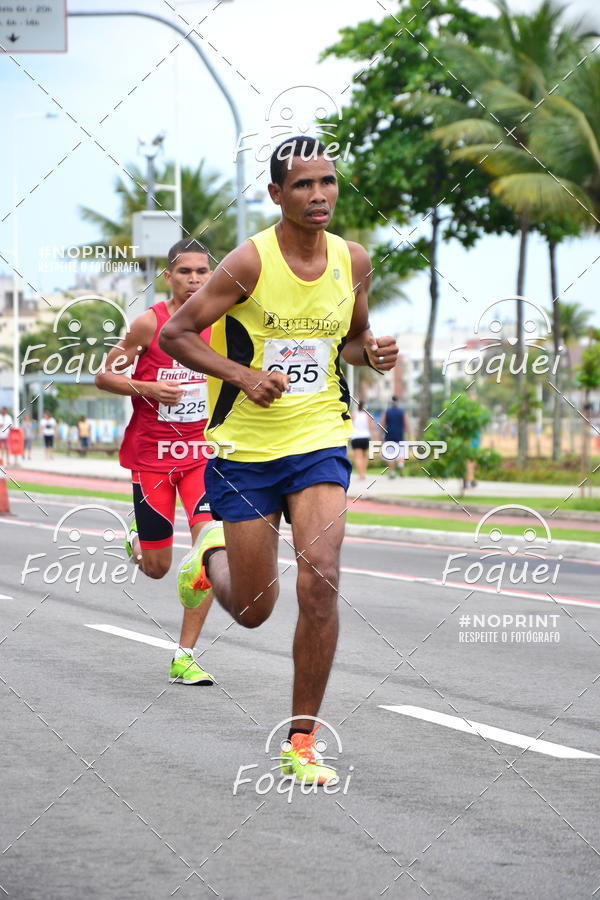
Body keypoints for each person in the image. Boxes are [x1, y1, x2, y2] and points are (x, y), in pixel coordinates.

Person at [160, 137, 398, 783]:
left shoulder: (353, 260)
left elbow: (348, 343)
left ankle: (301, 743)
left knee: (320, 576)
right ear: (275, 194)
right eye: (302, 185)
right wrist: (241, 375)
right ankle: (209, 556)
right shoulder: (248, 263)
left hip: (320, 437)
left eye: (327, 182)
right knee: (256, 608)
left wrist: (369, 355)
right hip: (246, 452)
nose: (318, 194)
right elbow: (175, 334)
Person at [95, 238, 217, 686]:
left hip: (202, 456)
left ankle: (185, 655)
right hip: (152, 456)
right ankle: (138, 541)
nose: (194, 280)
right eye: (185, 271)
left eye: (202, 272)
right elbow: (104, 375)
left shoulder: (222, 324)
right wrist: (147, 389)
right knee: (158, 567)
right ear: (169, 276)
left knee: (208, 550)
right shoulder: (150, 324)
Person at [380, 396, 409, 477]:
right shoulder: (402, 413)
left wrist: (380, 437)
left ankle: (392, 472)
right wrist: (408, 435)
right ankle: (400, 464)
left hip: (389, 436)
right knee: (401, 454)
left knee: (389, 455)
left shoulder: (386, 412)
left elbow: (382, 424)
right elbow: (406, 425)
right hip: (400, 436)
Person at [350, 400, 374, 480]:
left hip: (356, 437)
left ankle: (360, 475)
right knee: (365, 456)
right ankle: (363, 473)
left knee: (358, 457)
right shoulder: (368, 415)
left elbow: (349, 425)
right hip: (365, 437)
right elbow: (371, 428)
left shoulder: (354, 415)